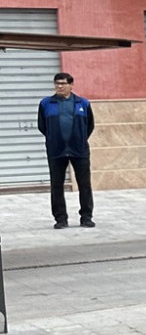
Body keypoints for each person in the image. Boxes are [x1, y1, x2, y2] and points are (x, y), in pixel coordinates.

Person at [38, 72, 93, 230]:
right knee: (56, 185)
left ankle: (86, 217)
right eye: (57, 84)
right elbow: (42, 126)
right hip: (56, 150)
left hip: (79, 150)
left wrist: (79, 138)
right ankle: (60, 219)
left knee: (84, 185)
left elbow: (89, 125)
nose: (60, 86)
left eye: (63, 83)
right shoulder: (46, 103)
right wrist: (54, 139)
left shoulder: (83, 103)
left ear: (71, 85)